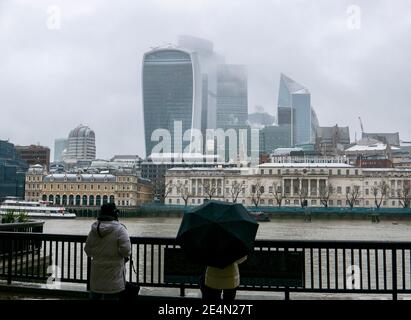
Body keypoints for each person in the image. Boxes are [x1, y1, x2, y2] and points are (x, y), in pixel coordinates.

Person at [84, 203, 131, 300]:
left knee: (95, 297)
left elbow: (87, 250)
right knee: (112, 296)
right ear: (115, 214)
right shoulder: (120, 229)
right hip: (114, 273)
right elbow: (126, 251)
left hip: (97, 273)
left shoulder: (94, 229)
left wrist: (98, 255)